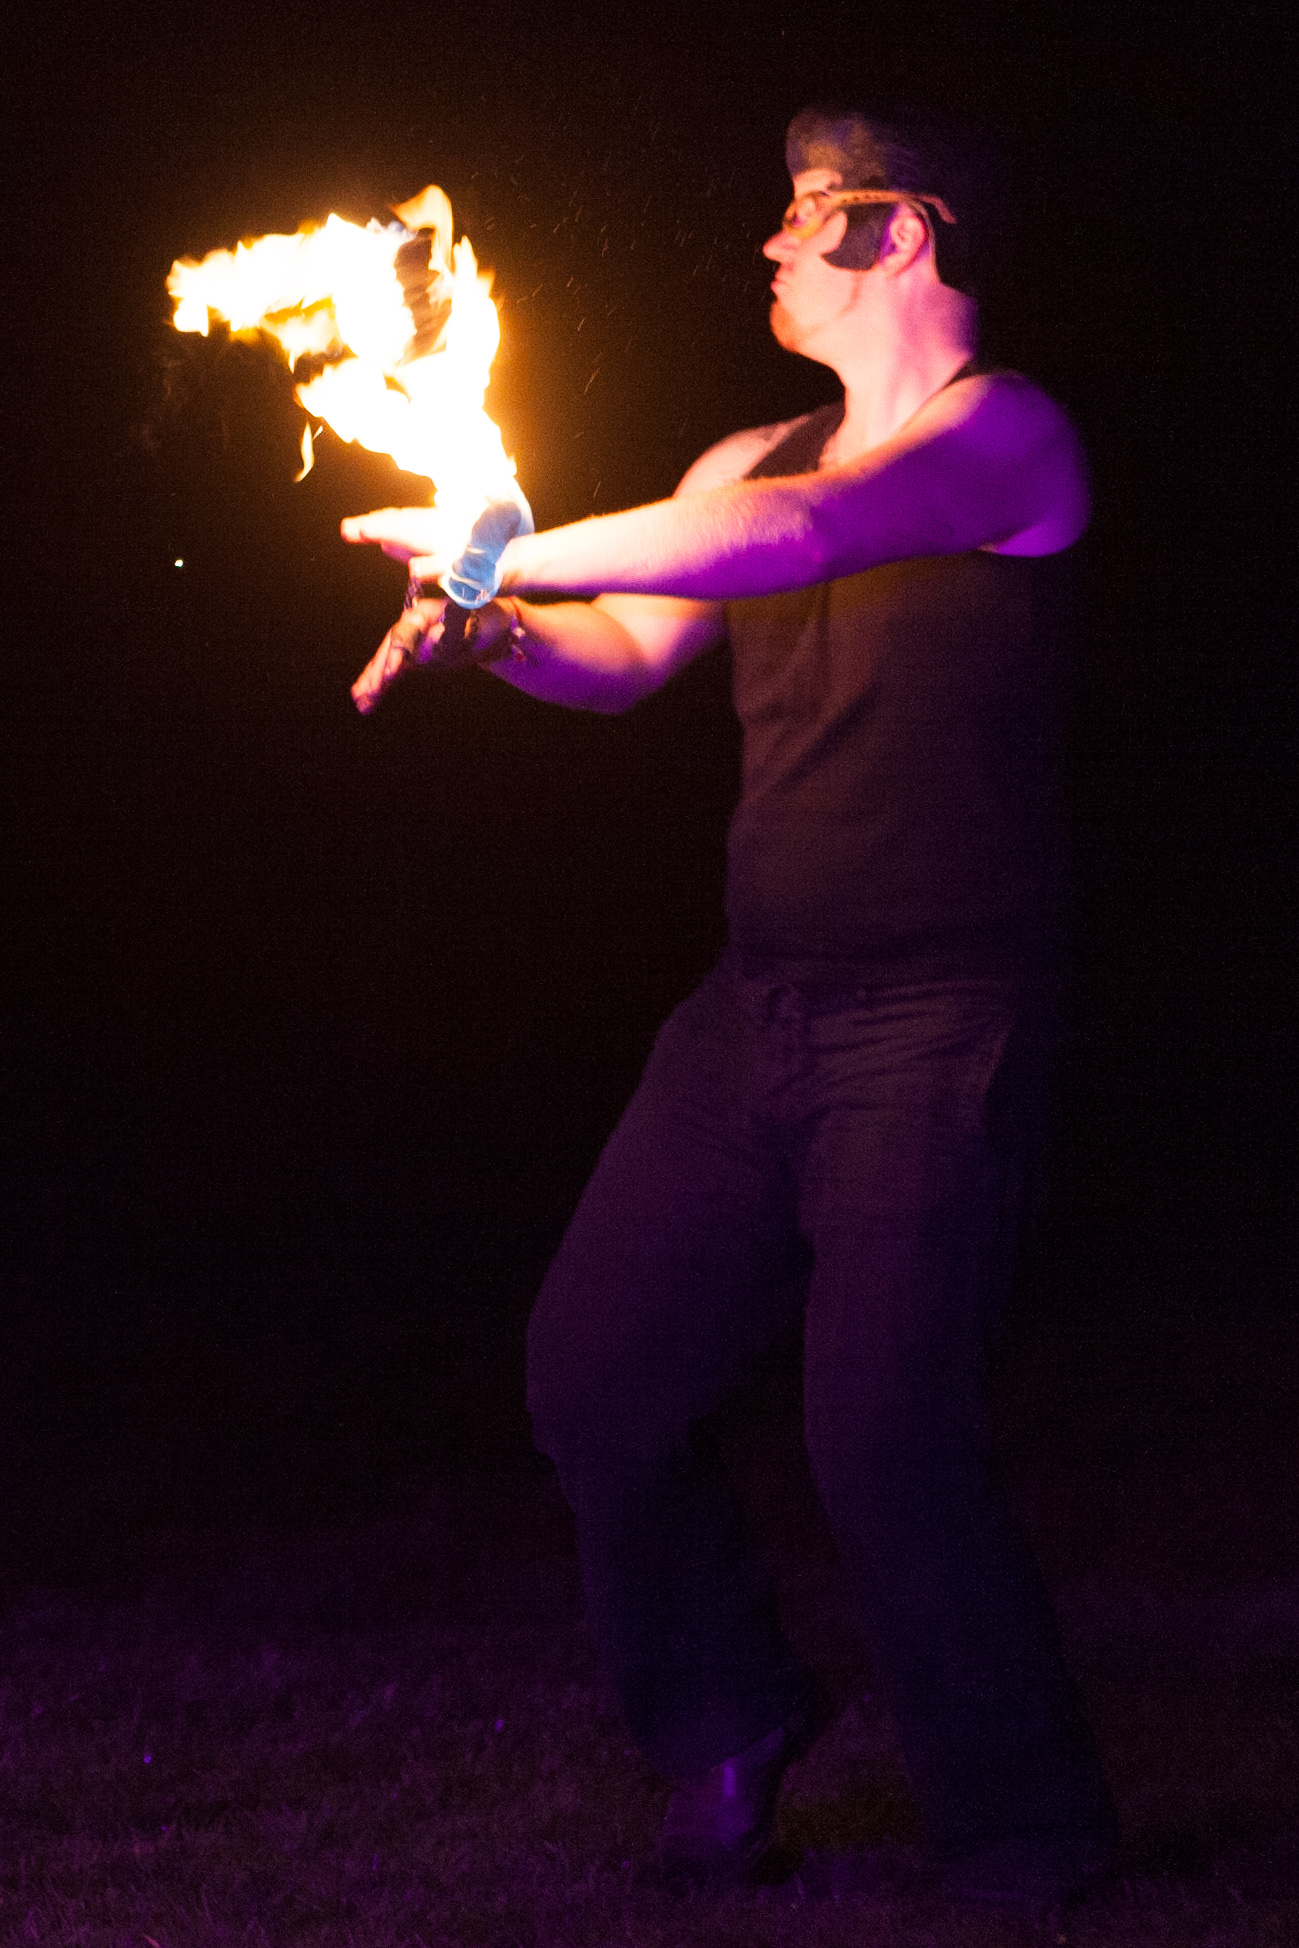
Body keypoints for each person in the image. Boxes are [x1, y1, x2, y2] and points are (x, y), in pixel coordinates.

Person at [342, 106, 1118, 1912]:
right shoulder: (737, 451)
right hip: (753, 1016)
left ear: (902, 232)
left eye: (805, 208)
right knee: (594, 1377)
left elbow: (793, 540)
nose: (771, 239)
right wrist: (500, 628)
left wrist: (502, 551)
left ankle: (1028, 1832)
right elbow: (626, 657)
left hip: (939, 1025)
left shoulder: (1006, 437)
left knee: (884, 1436)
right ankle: (732, 1714)